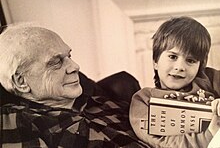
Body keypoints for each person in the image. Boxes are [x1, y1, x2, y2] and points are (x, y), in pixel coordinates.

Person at [0, 24, 148, 148]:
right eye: (56, 62)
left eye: (69, 56)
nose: (75, 67)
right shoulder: (18, 122)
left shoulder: (101, 101)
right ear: (21, 82)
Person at [129, 16, 220, 148]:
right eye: (172, 57)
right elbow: (160, 142)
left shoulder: (209, 78)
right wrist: (210, 135)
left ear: (200, 66)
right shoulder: (144, 99)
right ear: (155, 61)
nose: (180, 67)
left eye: (191, 60)